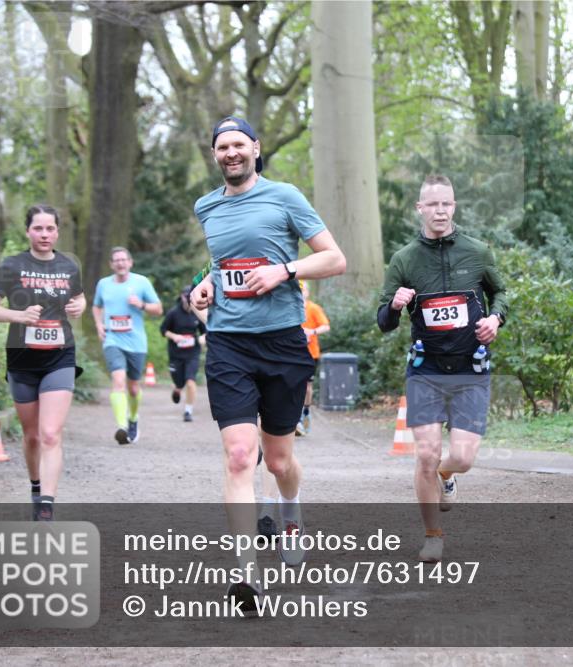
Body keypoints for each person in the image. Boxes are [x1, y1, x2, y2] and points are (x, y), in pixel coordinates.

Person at [190, 115, 346, 605]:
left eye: (238, 144)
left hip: (282, 343)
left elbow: (334, 258)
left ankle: (291, 510)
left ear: (255, 148)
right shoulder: (206, 207)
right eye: (222, 147)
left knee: (279, 462)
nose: (231, 153)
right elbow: (222, 260)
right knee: (240, 455)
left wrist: (285, 270)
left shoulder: (285, 197)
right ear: (215, 155)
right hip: (228, 344)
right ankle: (247, 572)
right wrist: (206, 282)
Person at [377, 174, 509, 563]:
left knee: (462, 459)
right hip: (426, 370)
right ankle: (433, 535)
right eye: (433, 204)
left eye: (446, 204)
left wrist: (496, 319)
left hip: (471, 368)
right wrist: (396, 305)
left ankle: (447, 477)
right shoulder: (404, 259)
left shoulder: (478, 251)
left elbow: (499, 292)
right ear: (420, 208)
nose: (440, 211)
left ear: (454, 206)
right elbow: (383, 321)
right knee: (426, 455)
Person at [0, 204, 86, 521]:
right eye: (38, 228)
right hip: (22, 360)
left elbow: (79, 297)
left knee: (51, 433)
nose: (44, 234)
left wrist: (79, 305)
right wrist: (18, 316)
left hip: (60, 356)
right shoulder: (12, 266)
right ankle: (36, 486)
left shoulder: (68, 267)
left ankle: (46, 505)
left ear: (57, 231)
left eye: (50, 228)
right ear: (27, 231)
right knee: (32, 436)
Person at [91, 247, 162, 444]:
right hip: (112, 340)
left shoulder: (141, 282)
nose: (120, 263)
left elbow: (158, 309)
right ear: (111, 264)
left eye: (124, 260)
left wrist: (141, 304)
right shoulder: (103, 284)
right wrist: (99, 325)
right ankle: (121, 426)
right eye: (116, 260)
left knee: (132, 388)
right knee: (118, 379)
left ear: (130, 262)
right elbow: (96, 306)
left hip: (136, 342)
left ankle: (132, 419)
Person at [160, 287, 207, 421]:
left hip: (192, 353)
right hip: (176, 354)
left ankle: (188, 411)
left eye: (191, 298)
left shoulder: (197, 312)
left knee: (191, 381)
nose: (188, 301)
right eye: (186, 298)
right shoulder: (173, 313)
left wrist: (203, 337)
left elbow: (205, 331)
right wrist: (174, 336)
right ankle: (177, 389)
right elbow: (163, 330)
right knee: (179, 383)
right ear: (181, 297)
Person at [296, 280, 330, 435]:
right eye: (298, 289)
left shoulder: (313, 308)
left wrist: (312, 332)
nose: (301, 293)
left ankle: (305, 412)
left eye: (303, 290)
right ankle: (294, 418)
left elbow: (326, 326)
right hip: (291, 354)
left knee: (307, 386)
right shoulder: (289, 309)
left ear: (307, 292)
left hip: (311, 353)